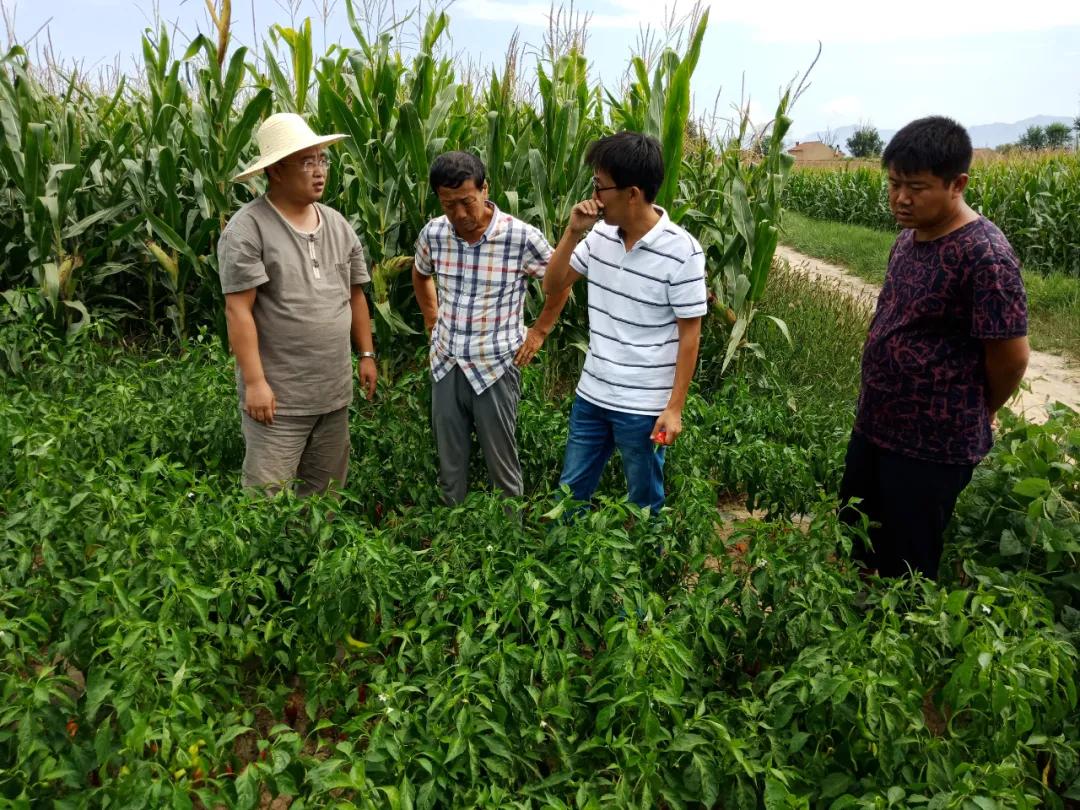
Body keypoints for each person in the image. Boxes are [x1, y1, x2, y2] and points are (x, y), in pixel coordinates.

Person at [839, 115, 1029, 579]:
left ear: (957, 183)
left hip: (931, 445)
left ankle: (898, 643)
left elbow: (1011, 358)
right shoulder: (907, 238)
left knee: (906, 562)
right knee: (856, 534)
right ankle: (853, 635)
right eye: (894, 183)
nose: (901, 198)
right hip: (877, 426)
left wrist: (980, 408)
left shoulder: (985, 255)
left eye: (917, 187)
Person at [543, 131, 707, 514]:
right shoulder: (598, 235)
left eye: (600, 187)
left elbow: (689, 336)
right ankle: (564, 561)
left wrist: (675, 408)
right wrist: (572, 232)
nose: (594, 195)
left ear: (632, 193)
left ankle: (651, 568)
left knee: (645, 501)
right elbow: (553, 286)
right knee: (569, 495)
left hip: (643, 406)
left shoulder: (682, 252)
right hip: (592, 396)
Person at [218, 112, 377, 495]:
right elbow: (238, 309)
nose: (319, 171)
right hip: (278, 402)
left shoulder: (338, 225)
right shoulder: (248, 229)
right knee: (265, 500)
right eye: (307, 162)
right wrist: (256, 383)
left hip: (333, 394)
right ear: (275, 171)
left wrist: (367, 354)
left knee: (324, 498)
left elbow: (356, 295)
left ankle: (315, 555)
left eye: (322, 159)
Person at [412, 151, 570, 504]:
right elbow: (421, 273)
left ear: (485, 189)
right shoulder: (435, 233)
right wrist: (431, 317)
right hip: (446, 363)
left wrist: (539, 332)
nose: (460, 214)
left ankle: (508, 538)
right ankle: (454, 533)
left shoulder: (520, 237)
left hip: (496, 365)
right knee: (449, 459)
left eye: (467, 202)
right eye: (448, 204)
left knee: (502, 461)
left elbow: (560, 283)